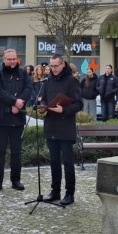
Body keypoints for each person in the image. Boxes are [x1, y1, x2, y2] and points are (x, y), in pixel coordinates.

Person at [36, 54, 82, 206]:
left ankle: (69, 194)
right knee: (54, 162)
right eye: (51, 66)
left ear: (63, 65)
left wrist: (64, 109)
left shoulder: (71, 81)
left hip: (66, 127)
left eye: (56, 66)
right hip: (51, 126)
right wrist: (42, 106)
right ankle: (55, 191)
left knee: (67, 162)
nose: (53, 69)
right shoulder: (48, 81)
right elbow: (43, 98)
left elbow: (78, 104)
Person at [0, 49, 33, 192]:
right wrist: (14, 102)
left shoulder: (23, 73)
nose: (12, 61)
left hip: (18, 118)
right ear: (4, 60)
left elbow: (29, 89)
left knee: (16, 152)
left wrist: (20, 103)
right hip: (2, 119)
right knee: (0, 152)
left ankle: (16, 180)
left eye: (14, 59)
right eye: (9, 59)